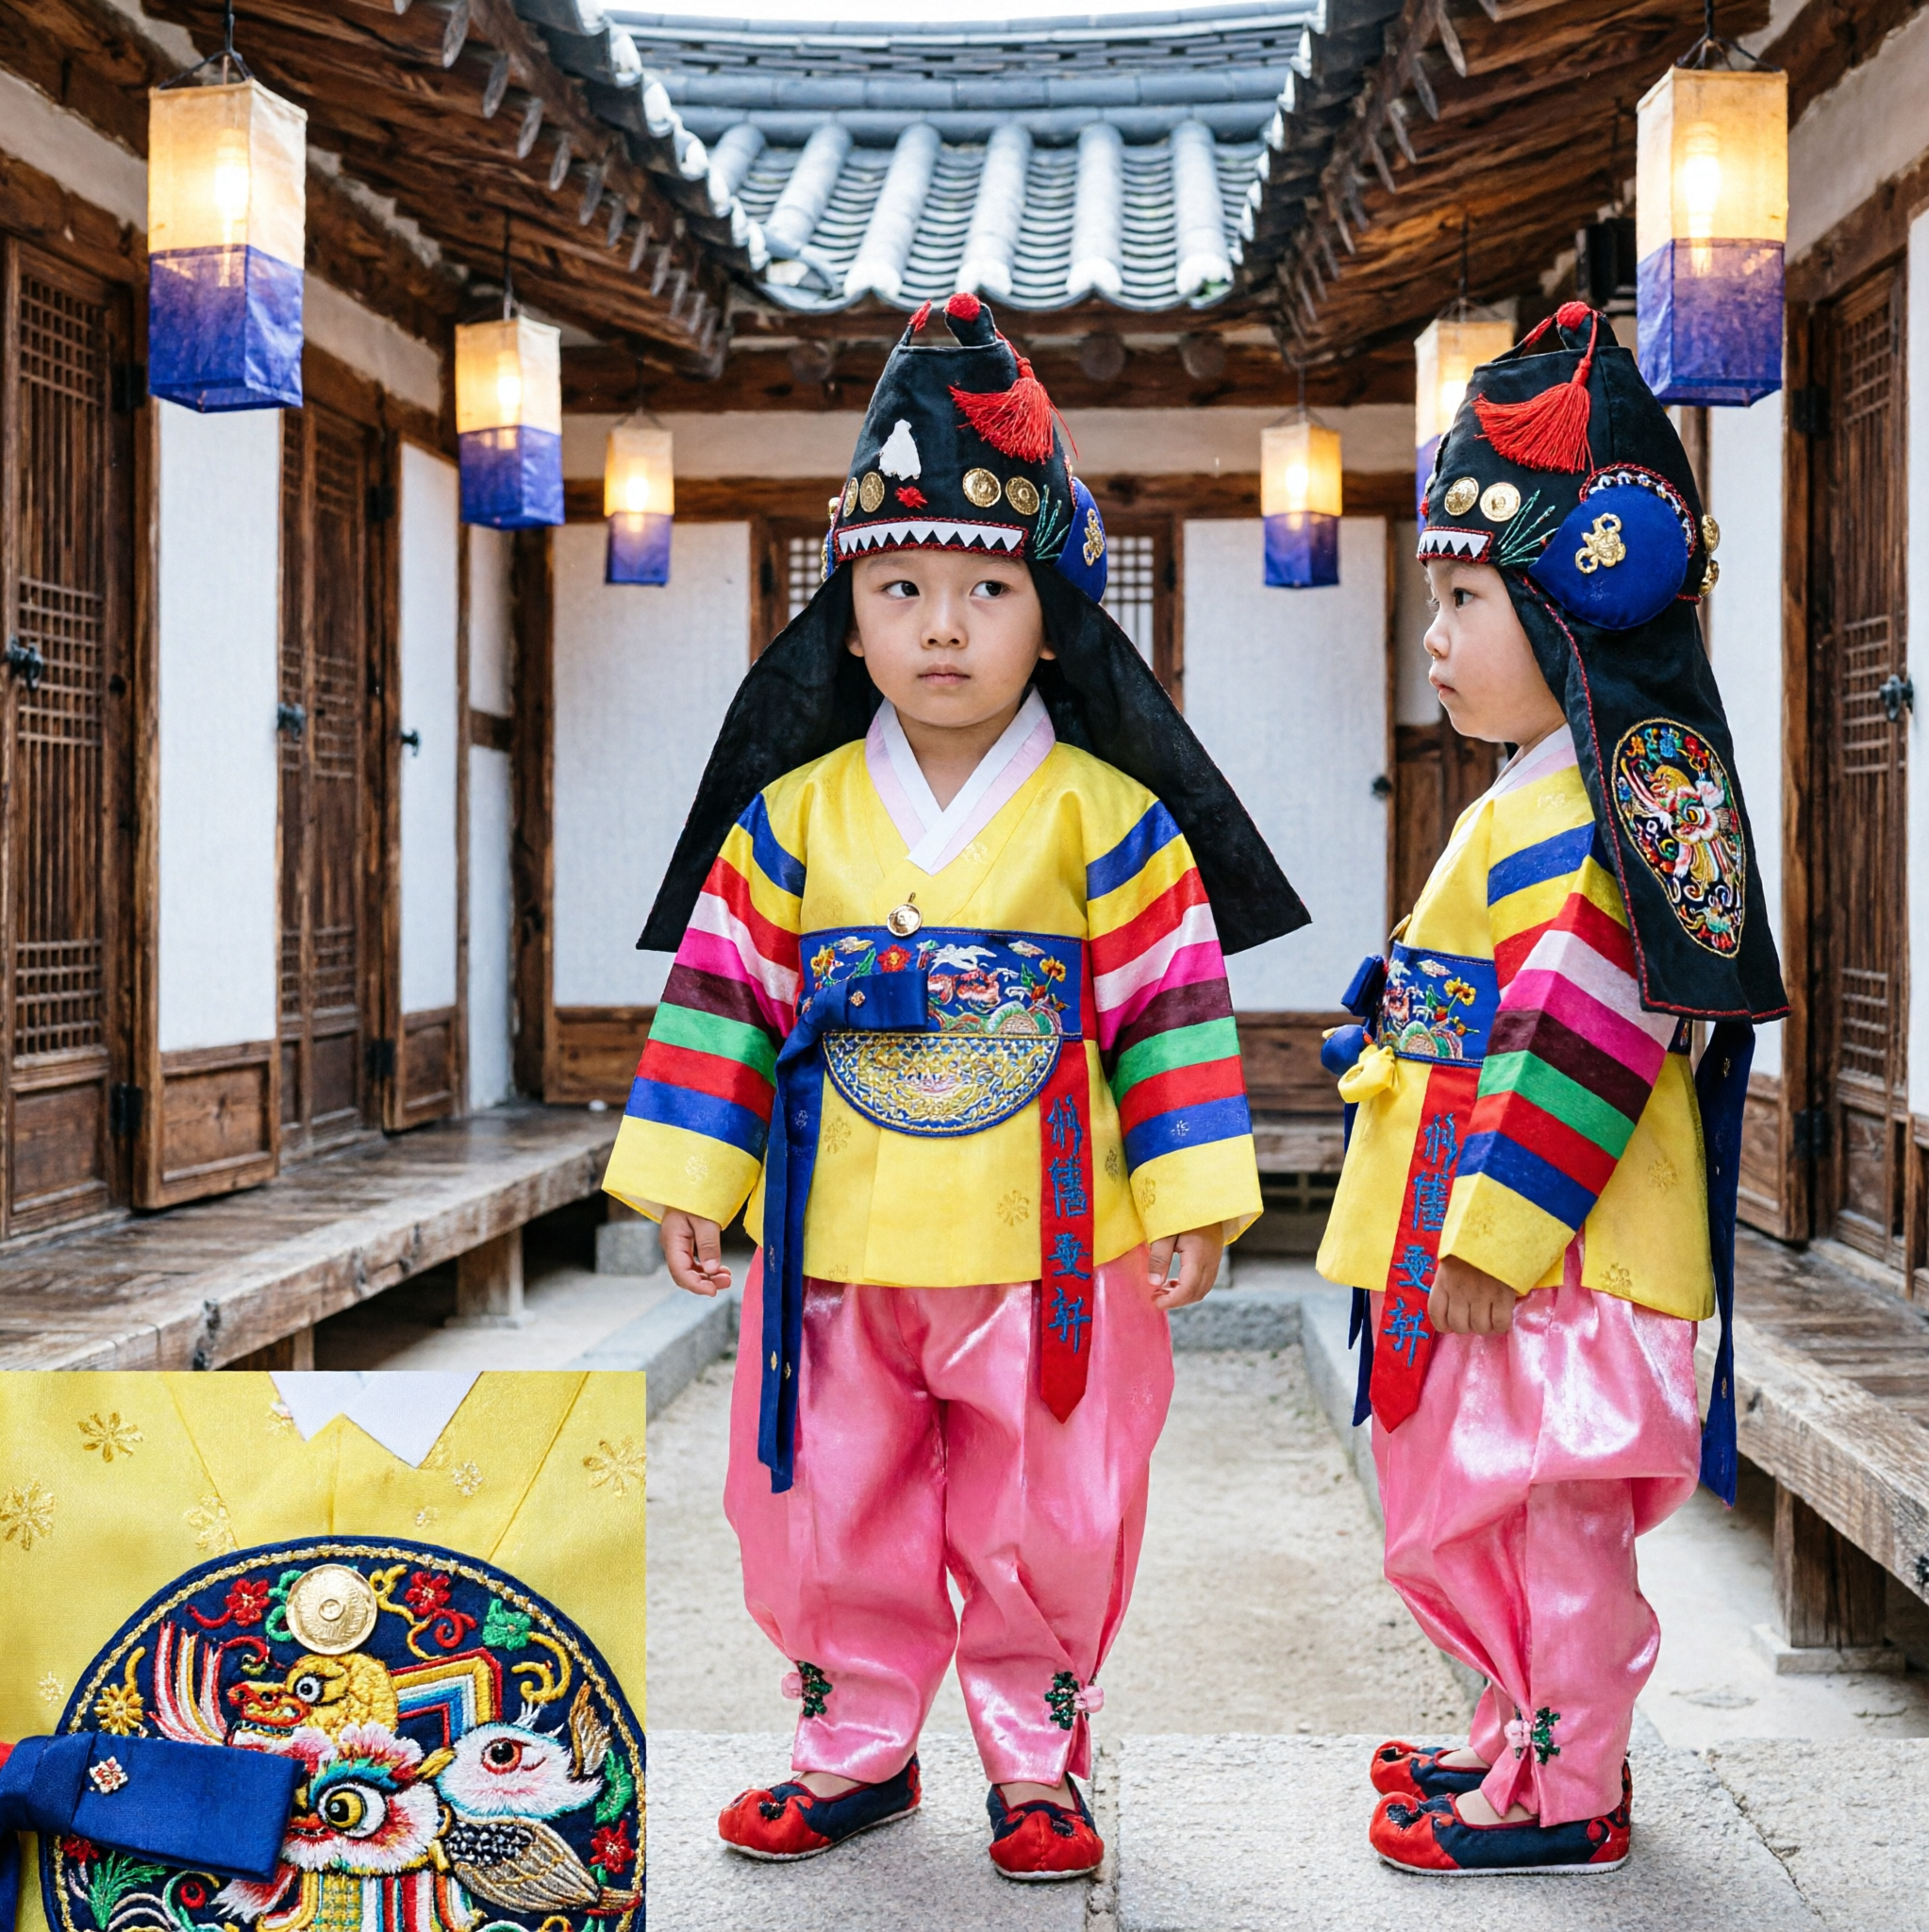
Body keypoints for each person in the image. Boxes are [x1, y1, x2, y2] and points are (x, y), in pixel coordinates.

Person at [603, 292, 1306, 1882]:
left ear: (1049, 618)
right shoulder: (784, 820)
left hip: (1053, 1249)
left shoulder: (1112, 820)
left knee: (1045, 1505)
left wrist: (1193, 1198)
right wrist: (694, 1178)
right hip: (837, 1238)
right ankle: (850, 1744)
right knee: (828, 1499)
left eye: (985, 590)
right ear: (844, 622)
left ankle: (1038, 1752)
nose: (939, 625)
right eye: (899, 587)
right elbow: (727, 998)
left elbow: (1172, 1013)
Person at [1317, 302, 1786, 1875]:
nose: (1433, 639)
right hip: (1485, 1224)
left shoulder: (1601, 816)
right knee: (1479, 1497)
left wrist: (1491, 1236)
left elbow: (1586, 1039)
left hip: (1548, 1250)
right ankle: (1504, 1730)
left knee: (1553, 1516)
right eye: (1433, 599)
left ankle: (1569, 1785)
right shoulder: (1538, 794)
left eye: (1463, 598)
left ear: (1576, 607)